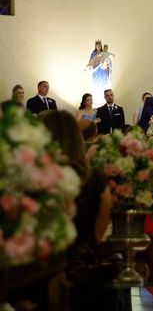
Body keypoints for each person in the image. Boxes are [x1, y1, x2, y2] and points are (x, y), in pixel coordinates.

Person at [39, 110, 113, 310]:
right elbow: (99, 231)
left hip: (39, 278)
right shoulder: (94, 179)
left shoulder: (34, 181)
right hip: (86, 275)